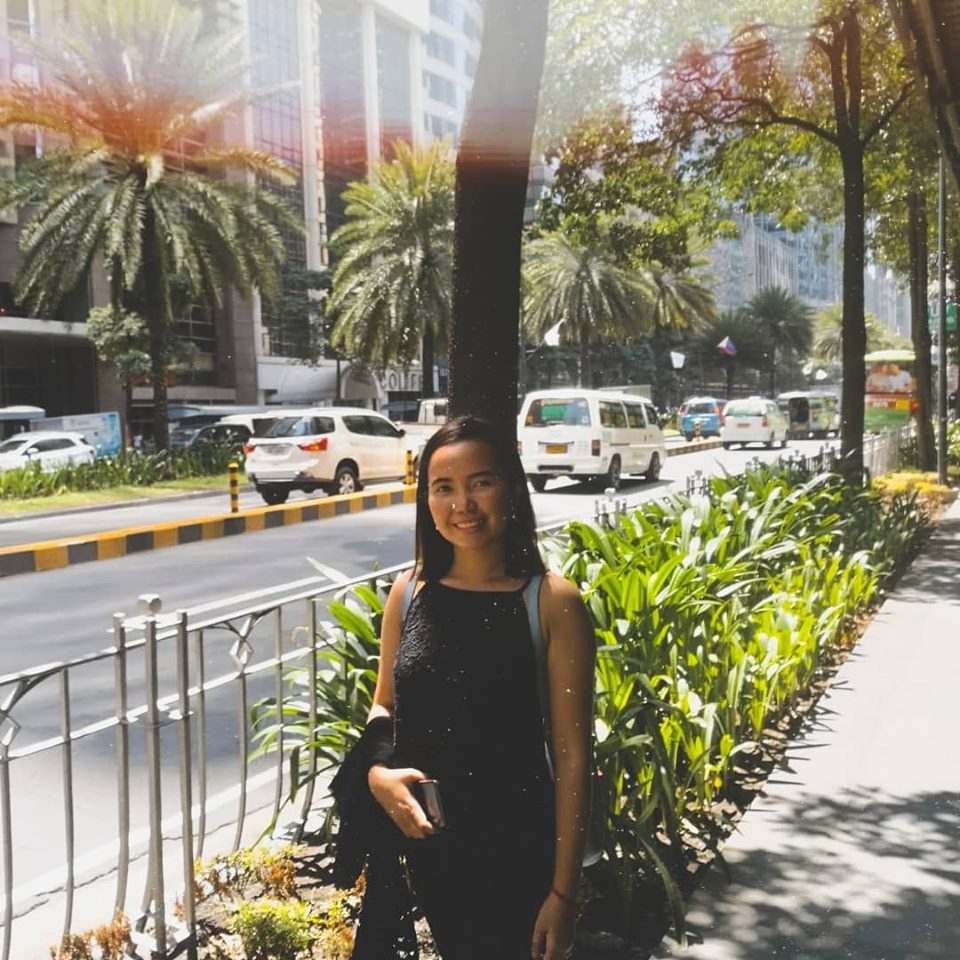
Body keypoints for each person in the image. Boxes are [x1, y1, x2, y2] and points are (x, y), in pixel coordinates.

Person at [361, 415, 596, 960]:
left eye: (481, 483)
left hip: (520, 854)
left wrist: (564, 895)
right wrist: (377, 773)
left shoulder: (551, 601)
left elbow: (573, 753)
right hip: (431, 846)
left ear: (511, 488)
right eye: (443, 487)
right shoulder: (409, 592)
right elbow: (384, 705)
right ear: (426, 500)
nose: (462, 504)